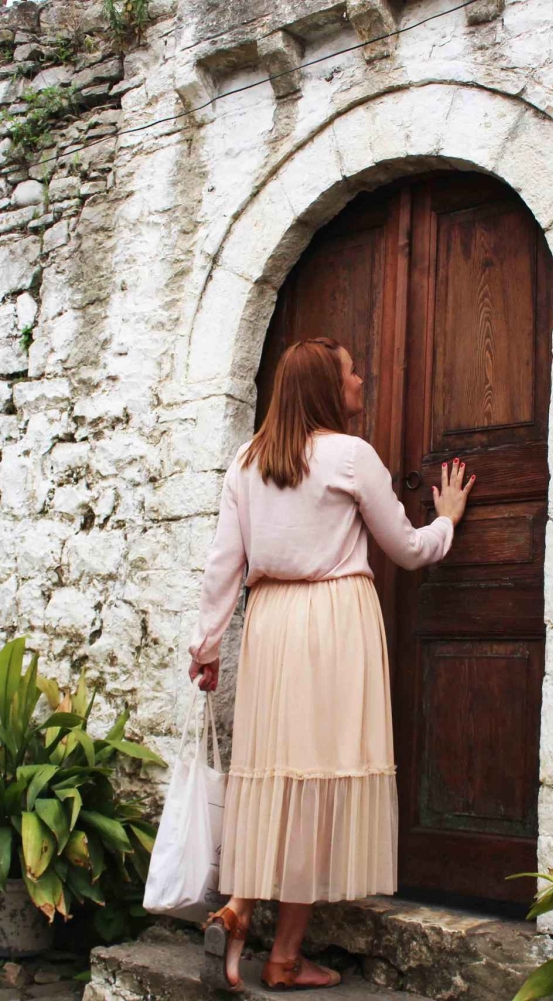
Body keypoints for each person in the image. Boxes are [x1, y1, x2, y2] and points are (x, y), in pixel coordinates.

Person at [187, 336, 474, 992]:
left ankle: (238, 910)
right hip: (336, 621)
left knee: (272, 773)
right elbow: (406, 548)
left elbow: (221, 567)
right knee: (318, 780)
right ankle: (284, 957)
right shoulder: (350, 455)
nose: (360, 380)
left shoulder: (246, 462)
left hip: (270, 624)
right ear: (326, 387)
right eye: (351, 372)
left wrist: (207, 649)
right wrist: (447, 521)